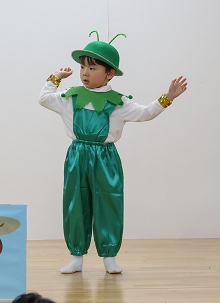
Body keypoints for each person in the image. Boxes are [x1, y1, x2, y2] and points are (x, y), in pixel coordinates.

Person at [39, 31, 187, 275]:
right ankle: (76, 257)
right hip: (77, 156)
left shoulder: (119, 102)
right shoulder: (70, 97)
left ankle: (109, 257)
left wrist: (168, 97)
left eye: (92, 68)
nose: (85, 73)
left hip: (106, 159)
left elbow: (145, 113)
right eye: (82, 67)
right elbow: (44, 98)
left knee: (109, 203)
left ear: (109, 74)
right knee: (76, 204)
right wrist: (55, 77)